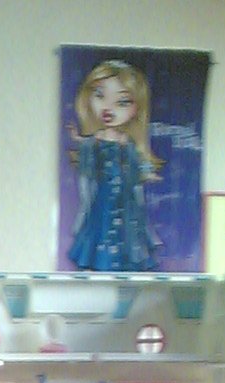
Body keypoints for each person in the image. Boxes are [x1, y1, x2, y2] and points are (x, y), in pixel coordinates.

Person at [67, 59, 162, 271]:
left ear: (136, 109)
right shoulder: (94, 141)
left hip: (125, 199)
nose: (108, 107)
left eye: (122, 102)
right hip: (102, 197)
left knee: (127, 230)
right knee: (99, 227)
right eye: (99, 95)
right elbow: (87, 161)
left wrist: (146, 172)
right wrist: (78, 140)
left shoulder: (127, 143)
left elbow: (137, 163)